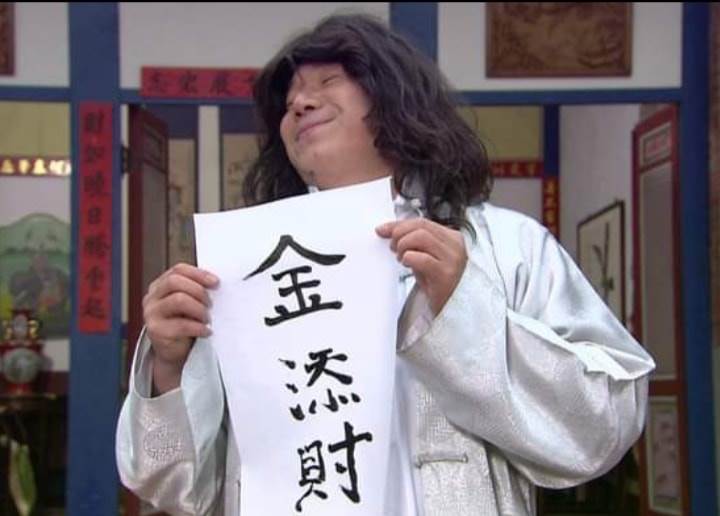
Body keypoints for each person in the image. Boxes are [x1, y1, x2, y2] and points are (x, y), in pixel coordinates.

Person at [116, 13, 655, 516]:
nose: (299, 103)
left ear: (394, 97)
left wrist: (464, 308)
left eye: (327, 81)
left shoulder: (507, 246)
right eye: (289, 100)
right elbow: (172, 485)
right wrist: (169, 368)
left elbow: (604, 426)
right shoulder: (247, 270)